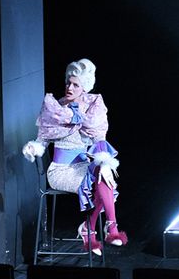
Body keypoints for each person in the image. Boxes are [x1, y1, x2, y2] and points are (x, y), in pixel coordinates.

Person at [23, 58, 126, 254]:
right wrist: (33, 148)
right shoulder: (55, 109)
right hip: (60, 171)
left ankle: (98, 227)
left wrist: (104, 163)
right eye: (68, 83)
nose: (69, 87)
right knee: (100, 182)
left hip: (84, 167)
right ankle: (100, 229)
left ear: (84, 87)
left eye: (75, 85)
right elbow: (42, 140)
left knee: (104, 176)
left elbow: (99, 140)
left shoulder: (93, 108)